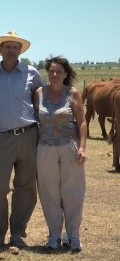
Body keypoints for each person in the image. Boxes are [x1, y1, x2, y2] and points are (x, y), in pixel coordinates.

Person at [0, 31, 45, 248]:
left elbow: (41, 97)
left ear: (20, 51)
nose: (11, 51)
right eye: (7, 47)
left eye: (15, 47)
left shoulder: (31, 73)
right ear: (0, 49)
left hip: (29, 134)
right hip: (2, 138)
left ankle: (18, 232)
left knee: (25, 186)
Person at [33, 56, 86, 251]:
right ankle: (54, 235)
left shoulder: (72, 93)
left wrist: (82, 147)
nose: (54, 74)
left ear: (65, 74)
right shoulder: (39, 93)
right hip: (45, 147)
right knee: (49, 192)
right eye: (52, 71)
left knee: (72, 192)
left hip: (69, 146)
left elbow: (82, 122)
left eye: (59, 71)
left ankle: (73, 235)